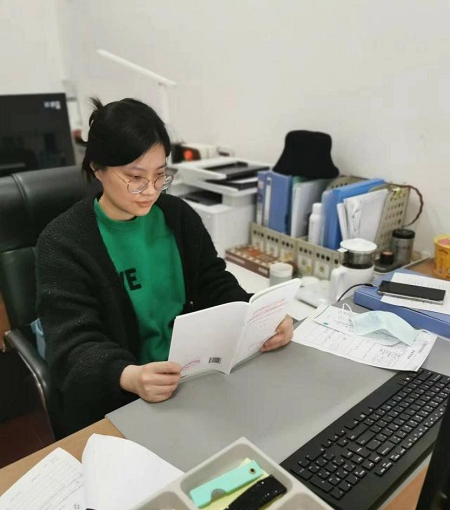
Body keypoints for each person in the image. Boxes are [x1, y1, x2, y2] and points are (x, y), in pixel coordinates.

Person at [36, 97, 294, 437]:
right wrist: (129, 376)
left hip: (195, 380)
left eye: (160, 176)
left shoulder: (177, 217)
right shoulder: (63, 243)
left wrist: (259, 318)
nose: (150, 191)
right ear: (97, 168)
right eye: (135, 177)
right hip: (124, 400)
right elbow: (72, 347)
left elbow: (214, 283)